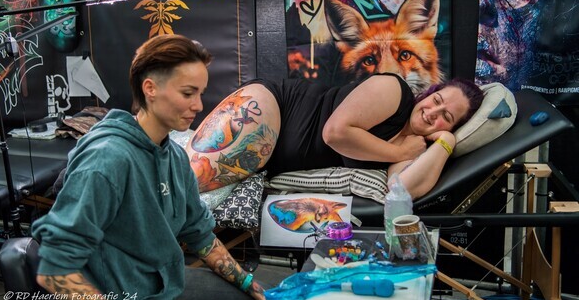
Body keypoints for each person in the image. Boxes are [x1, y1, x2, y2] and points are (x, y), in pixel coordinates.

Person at [31, 34, 291, 300]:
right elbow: (55, 268)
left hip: (161, 284)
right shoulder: (108, 159)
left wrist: (253, 288)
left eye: (200, 93)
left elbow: (201, 237)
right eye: (188, 93)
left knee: (265, 299)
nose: (198, 105)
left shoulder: (174, 157)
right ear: (150, 89)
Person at [187, 73, 484, 199]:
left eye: (446, 117)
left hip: (271, 158)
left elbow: (403, 190)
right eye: (437, 100)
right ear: (429, 93)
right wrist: (399, 153)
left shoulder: (413, 146)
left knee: (187, 190)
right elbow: (336, 133)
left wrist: (447, 142)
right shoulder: (395, 92)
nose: (433, 112)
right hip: (272, 108)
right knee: (187, 182)